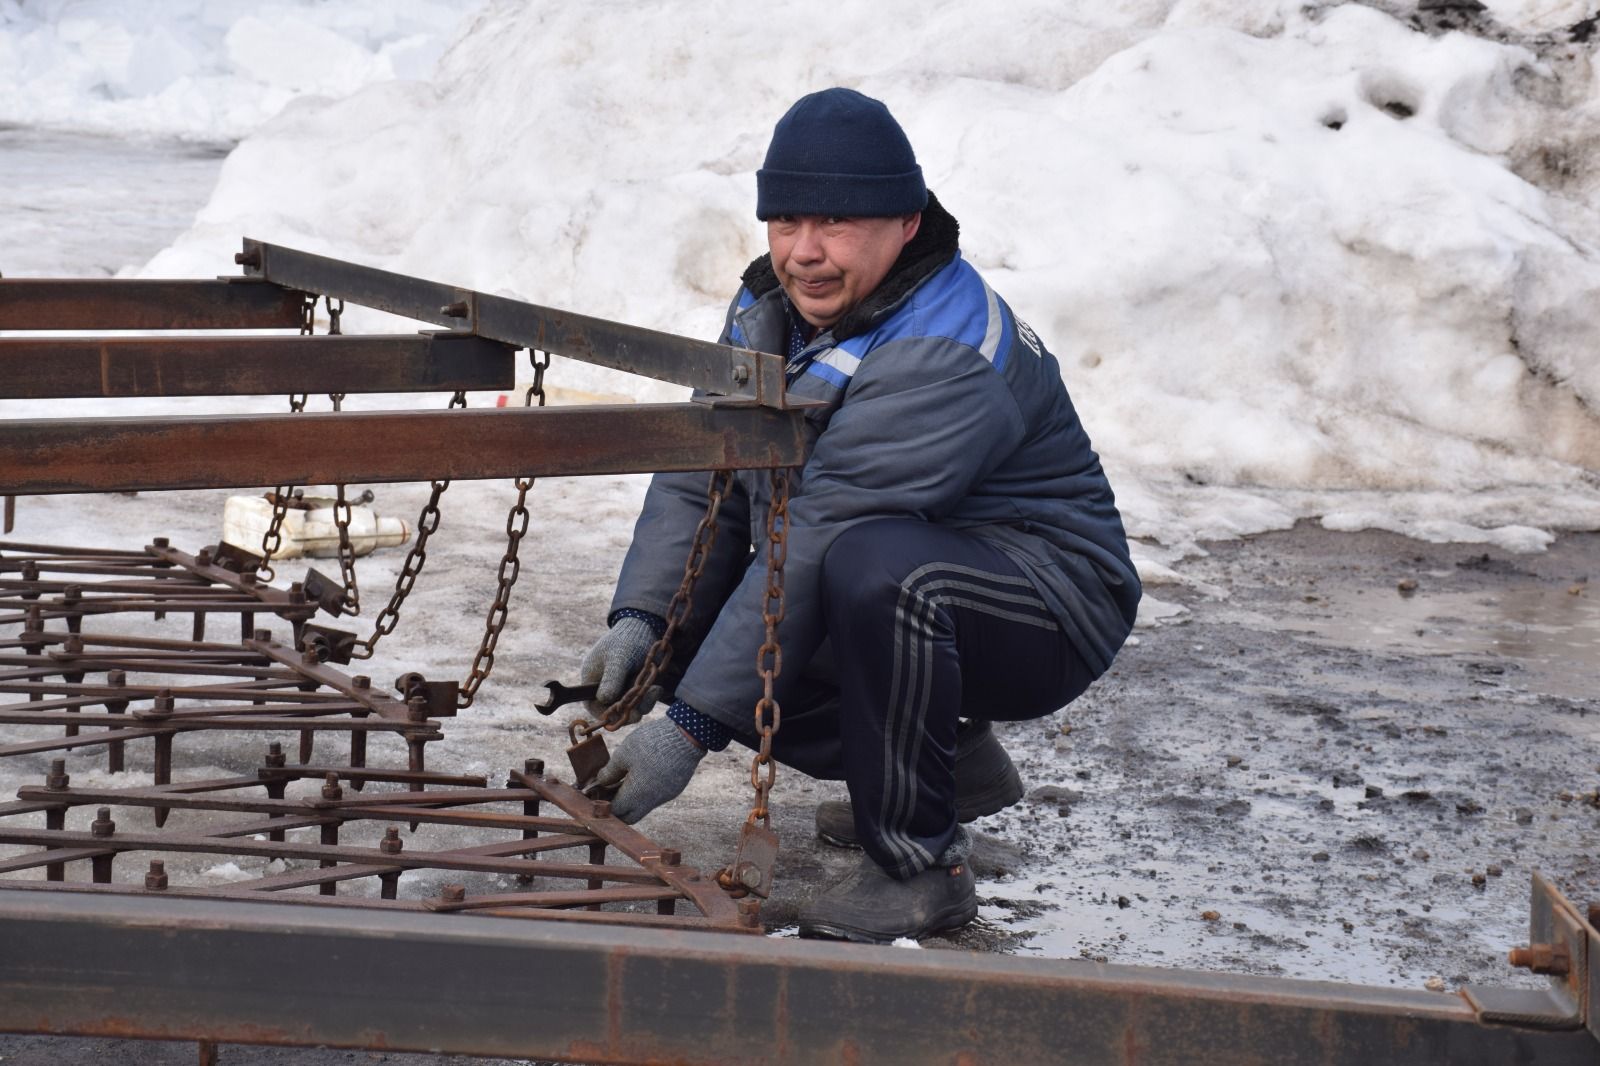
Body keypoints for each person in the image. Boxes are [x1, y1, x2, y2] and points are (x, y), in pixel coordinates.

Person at [580, 87, 1140, 943]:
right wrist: (644, 622)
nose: (806, 253)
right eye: (786, 221)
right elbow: (709, 477)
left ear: (907, 222)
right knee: (716, 612)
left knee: (877, 572)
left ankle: (920, 866)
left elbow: (823, 536)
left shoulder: (943, 344)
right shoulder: (768, 307)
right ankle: (950, 768)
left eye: (837, 223)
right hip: (916, 558)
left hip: (1047, 600)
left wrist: (688, 731)